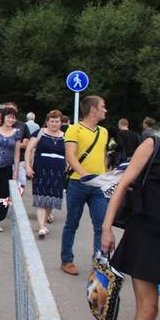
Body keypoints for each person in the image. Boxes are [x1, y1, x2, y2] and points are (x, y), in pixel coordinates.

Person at [100, 135, 160, 320]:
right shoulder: (152, 145)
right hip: (146, 235)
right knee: (148, 308)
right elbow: (124, 184)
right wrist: (107, 227)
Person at [60, 95, 109, 275]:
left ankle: (99, 264)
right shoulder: (74, 129)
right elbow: (70, 156)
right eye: (103, 106)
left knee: (101, 225)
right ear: (93, 109)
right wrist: (85, 175)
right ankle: (67, 260)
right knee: (72, 223)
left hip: (99, 186)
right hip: (77, 183)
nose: (105, 110)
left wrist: (106, 176)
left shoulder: (103, 132)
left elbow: (103, 156)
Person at [25, 110, 65, 238]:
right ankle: (42, 226)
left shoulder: (65, 136)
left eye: (57, 121)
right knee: (41, 198)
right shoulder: (40, 133)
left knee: (51, 199)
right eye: (51, 121)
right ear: (47, 122)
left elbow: (70, 154)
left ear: (60, 122)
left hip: (58, 171)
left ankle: (45, 220)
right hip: (41, 170)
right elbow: (29, 149)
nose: (54, 124)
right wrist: (27, 166)